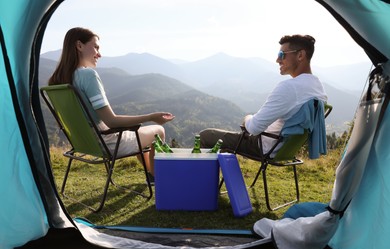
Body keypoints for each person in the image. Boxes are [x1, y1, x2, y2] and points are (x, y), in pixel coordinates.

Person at [48, 27, 175, 182]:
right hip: (106, 143)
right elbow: (111, 121)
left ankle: (150, 173)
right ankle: (156, 178)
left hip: (83, 142)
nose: (99, 54)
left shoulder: (60, 80)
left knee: (133, 131)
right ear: (79, 46)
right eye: (95, 47)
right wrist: (152, 117)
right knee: (158, 130)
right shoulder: (87, 75)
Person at [200, 34, 327, 158]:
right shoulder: (318, 88)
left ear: (300, 55)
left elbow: (254, 128)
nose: (278, 60)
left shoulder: (289, 87)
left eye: (282, 55)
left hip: (264, 146)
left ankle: (202, 179)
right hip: (286, 149)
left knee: (205, 136)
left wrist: (247, 118)